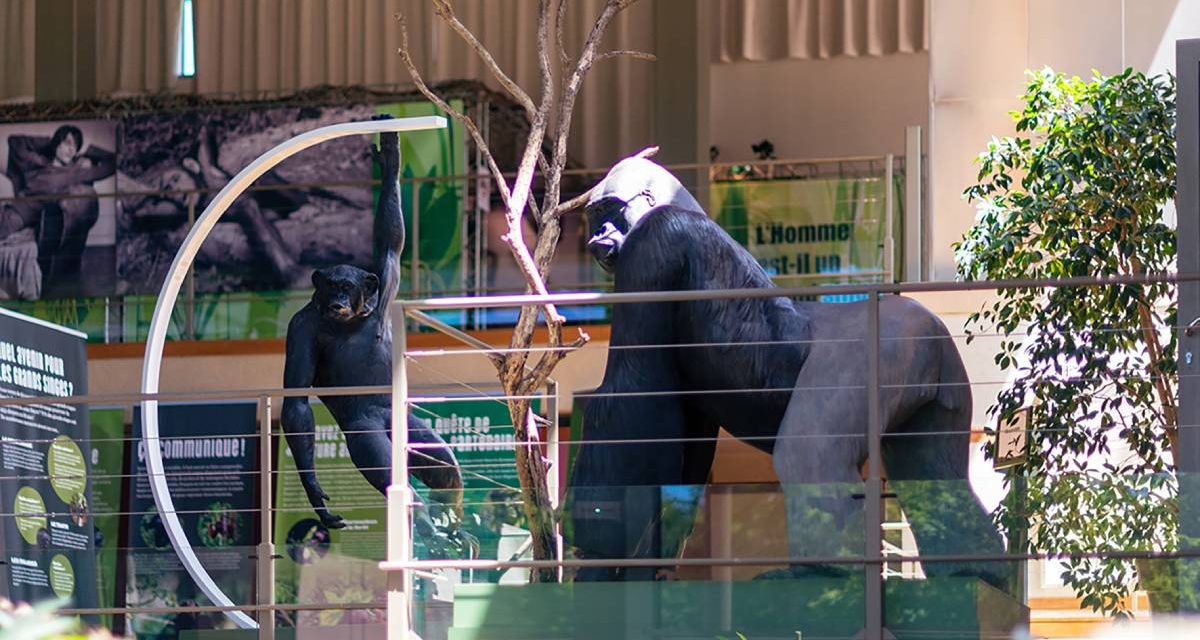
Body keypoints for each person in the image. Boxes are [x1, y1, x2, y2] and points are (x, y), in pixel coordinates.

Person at [3, 125, 116, 293]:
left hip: (36, 218)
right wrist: (48, 143)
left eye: (75, 146)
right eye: (67, 143)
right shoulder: (37, 162)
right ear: (57, 143)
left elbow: (111, 163)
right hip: (15, 211)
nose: (71, 149)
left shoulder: (76, 171)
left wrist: (89, 154)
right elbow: (14, 142)